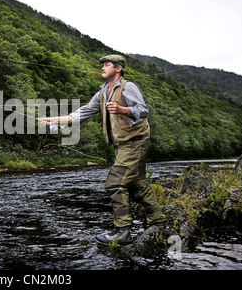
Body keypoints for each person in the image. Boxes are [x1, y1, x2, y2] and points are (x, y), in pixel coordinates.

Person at [38, 54, 165, 245]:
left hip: (135, 141)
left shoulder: (128, 87)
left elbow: (143, 110)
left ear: (118, 68)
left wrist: (123, 110)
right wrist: (54, 120)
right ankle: (158, 222)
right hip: (122, 144)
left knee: (115, 183)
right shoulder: (103, 92)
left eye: (106, 65)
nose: (102, 68)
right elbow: (81, 113)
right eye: (102, 65)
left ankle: (123, 231)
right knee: (137, 183)